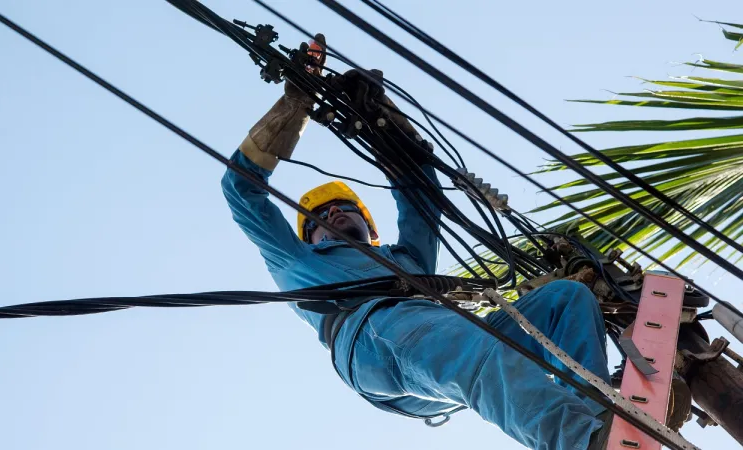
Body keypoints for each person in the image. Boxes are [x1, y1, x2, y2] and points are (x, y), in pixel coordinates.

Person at [220, 35, 613, 450]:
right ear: (310, 236)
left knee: (565, 300)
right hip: (374, 336)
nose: (332, 213)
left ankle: (601, 414)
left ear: (370, 226)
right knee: (474, 352)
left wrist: (384, 119)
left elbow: (420, 189)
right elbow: (240, 188)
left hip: (436, 341)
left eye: (341, 206)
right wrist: (296, 103)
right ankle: (579, 442)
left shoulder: (405, 258)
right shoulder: (295, 260)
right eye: (318, 217)